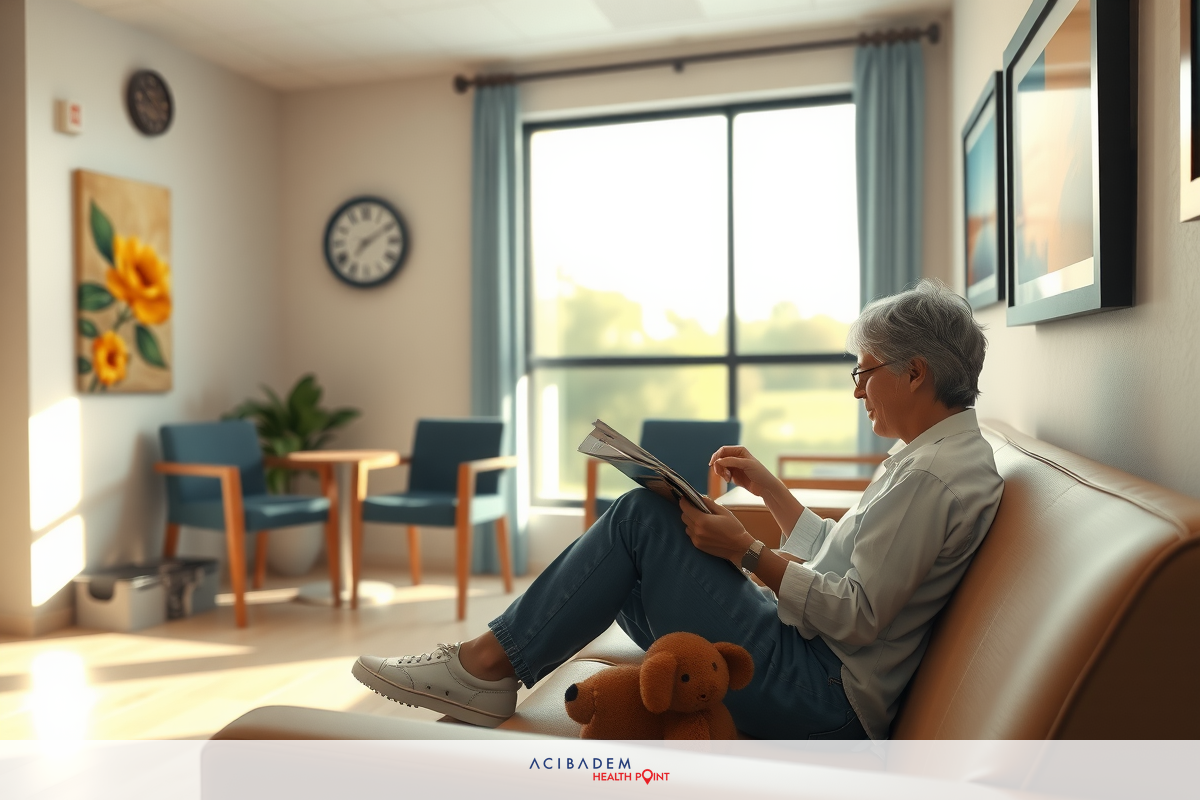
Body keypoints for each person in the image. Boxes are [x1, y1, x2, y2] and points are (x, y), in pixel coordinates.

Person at [352, 279, 1004, 739]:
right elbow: (847, 562)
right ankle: (492, 662)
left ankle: (486, 666)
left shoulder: (932, 477)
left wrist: (747, 552)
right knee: (641, 542)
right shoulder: (931, 456)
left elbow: (855, 616)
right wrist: (771, 492)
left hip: (823, 695)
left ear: (915, 372)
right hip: (815, 665)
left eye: (864, 372)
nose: (858, 390)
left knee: (641, 521)